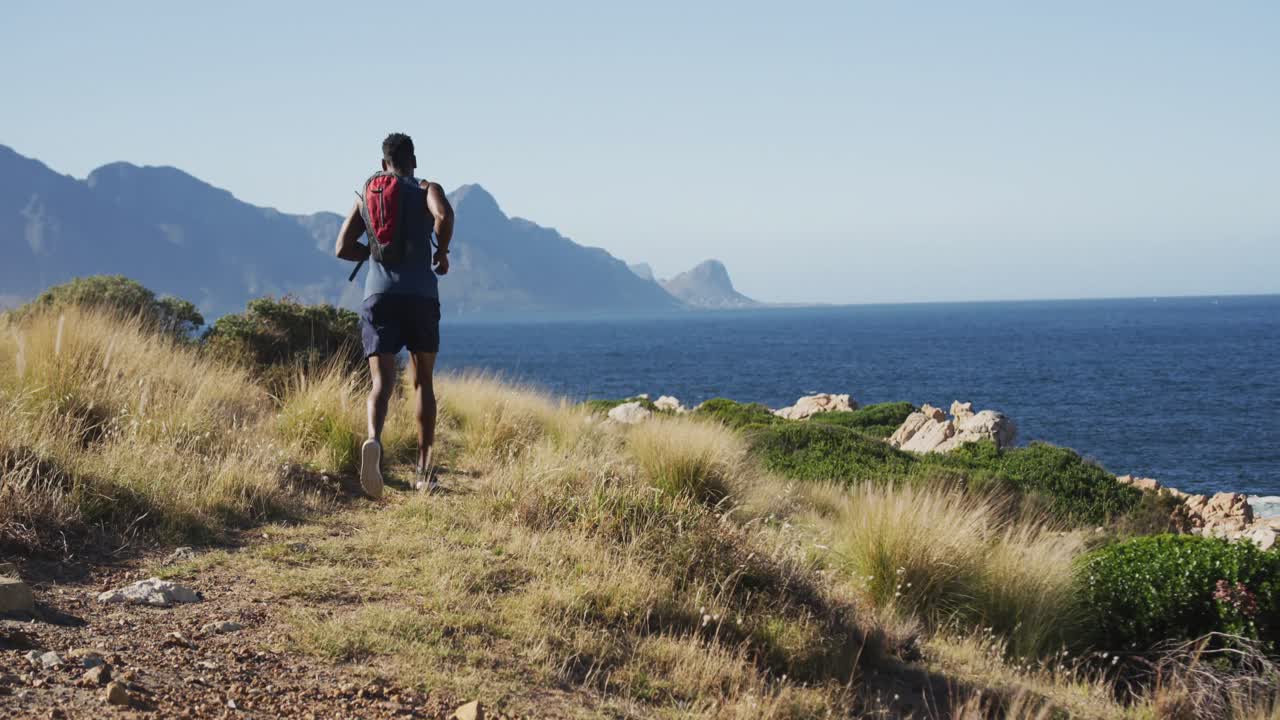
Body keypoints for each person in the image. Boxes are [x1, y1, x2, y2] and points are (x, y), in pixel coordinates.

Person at [334, 132, 454, 498]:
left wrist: (373, 254)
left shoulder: (367, 196)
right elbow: (444, 215)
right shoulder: (426, 188)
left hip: (379, 296)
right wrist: (442, 252)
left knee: (381, 384)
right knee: (423, 383)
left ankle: (373, 440)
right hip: (420, 295)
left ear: (384, 163)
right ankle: (424, 470)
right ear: (413, 160)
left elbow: (342, 249)